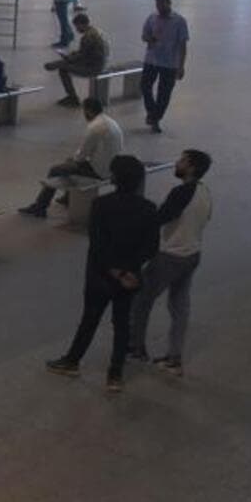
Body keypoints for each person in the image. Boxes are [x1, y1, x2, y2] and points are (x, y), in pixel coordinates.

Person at [45, 156, 158, 392]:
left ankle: (72, 361)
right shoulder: (148, 208)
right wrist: (129, 270)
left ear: (115, 178)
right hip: (130, 278)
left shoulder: (102, 205)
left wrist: (114, 271)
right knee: (122, 323)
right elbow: (150, 247)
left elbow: (98, 244)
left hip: (100, 275)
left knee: (90, 319)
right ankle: (115, 374)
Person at [131, 149, 213, 374]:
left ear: (192, 167)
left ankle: (136, 347)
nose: (177, 164)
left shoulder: (180, 192)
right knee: (179, 306)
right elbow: (206, 217)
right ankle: (174, 357)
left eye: (182, 161)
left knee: (142, 299)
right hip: (193, 254)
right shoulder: (205, 191)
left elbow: (160, 218)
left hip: (171, 256)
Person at [19, 98, 124, 218]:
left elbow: (81, 157)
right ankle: (68, 197)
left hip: (99, 171)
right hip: (112, 166)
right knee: (69, 163)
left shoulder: (94, 128)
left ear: (88, 111)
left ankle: (40, 206)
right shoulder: (111, 122)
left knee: (55, 170)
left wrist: (75, 159)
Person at [140, 0, 189, 133]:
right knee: (145, 86)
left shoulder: (179, 21)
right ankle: (152, 113)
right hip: (151, 60)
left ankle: (156, 118)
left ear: (169, 3)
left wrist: (181, 66)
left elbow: (183, 45)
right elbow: (144, 35)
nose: (159, 8)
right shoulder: (152, 18)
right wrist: (149, 39)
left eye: (162, 4)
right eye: (157, 5)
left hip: (169, 63)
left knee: (164, 93)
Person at [45, 12, 109, 106]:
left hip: (94, 67)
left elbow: (81, 57)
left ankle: (72, 98)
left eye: (77, 26)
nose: (76, 29)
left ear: (82, 24)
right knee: (66, 63)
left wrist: (68, 59)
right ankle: (56, 64)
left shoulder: (88, 37)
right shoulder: (97, 31)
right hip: (100, 63)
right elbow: (86, 53)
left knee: (63, 69)